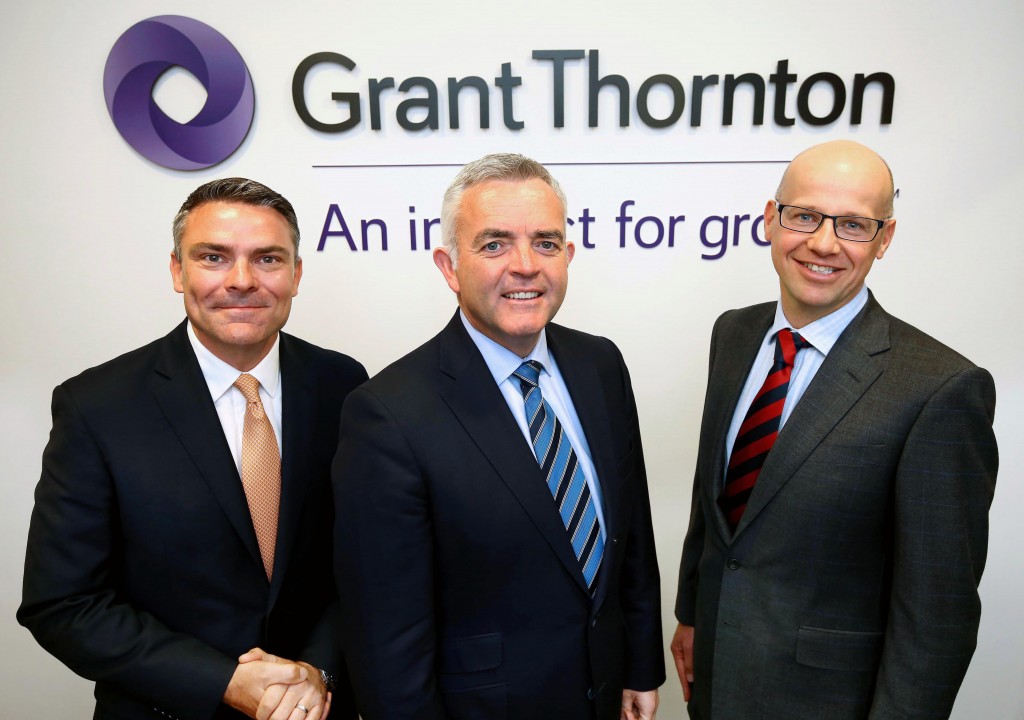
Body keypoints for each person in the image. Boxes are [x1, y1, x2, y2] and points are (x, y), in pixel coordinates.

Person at [671, 140, 998, 719]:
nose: (823, 243)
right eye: (804, 216)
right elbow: (713, 502)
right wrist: (693, 614)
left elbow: (936, 617)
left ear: (885, 239)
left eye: (853, 225)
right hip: (716, 682)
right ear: (771, 220)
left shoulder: (940, 388)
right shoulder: (735, 334)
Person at [18, 178, 368, 720]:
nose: (242, 280)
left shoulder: (342, 384)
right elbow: (63, 604)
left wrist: (317, 673)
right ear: (178, 270)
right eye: (213, 257)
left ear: (296, 275)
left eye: (268, 259)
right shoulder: (96, 406)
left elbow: (361, 561)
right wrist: (223, 682)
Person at [333, 153, 665, 720]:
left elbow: (630, 537)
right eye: (494, 245)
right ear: (449, 265)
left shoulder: (600, 364)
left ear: (569, 255)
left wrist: (639, 664)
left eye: (546, 242)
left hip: (605, 693)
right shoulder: (387, 414)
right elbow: (387, 640)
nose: (525, 265)